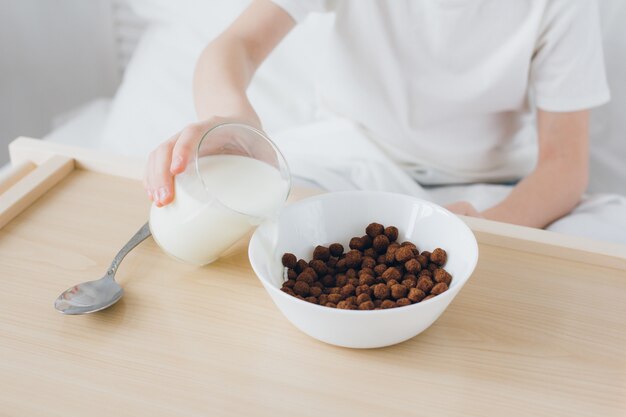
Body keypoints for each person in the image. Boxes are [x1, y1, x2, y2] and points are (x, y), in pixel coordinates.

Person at [143, 0, 609, 229]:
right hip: (348, 161)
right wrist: (234, 122)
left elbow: (565, 166)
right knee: (253, 232)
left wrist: (487, 227)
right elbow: (234, 47)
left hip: (489, 190)